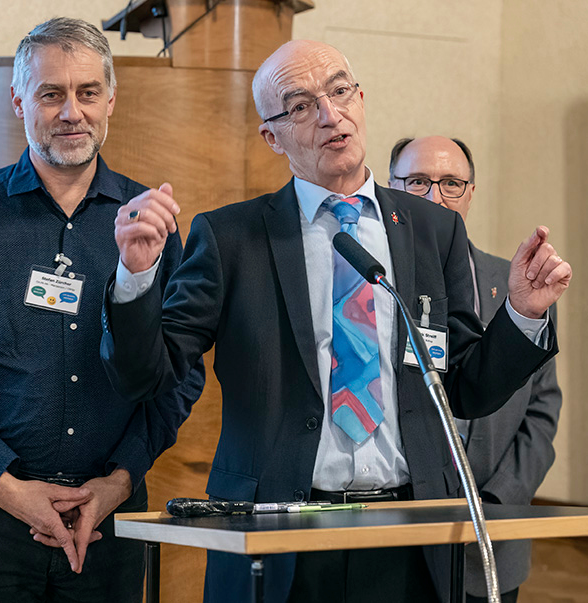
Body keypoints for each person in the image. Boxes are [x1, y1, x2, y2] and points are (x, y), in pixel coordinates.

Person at [101, 40, 571, 603]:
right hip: (277, 532)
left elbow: (465, 389)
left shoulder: (431, 231)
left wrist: (522, 312)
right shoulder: (231, 238)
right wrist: (134, 277)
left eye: (340, 90)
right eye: (300, 105)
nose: (330, 114)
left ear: (361, 98)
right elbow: (147, 376)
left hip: (411, 530)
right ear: (271, 137)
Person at [0, 17, 204, 603]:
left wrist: (118, 482)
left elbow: (178, 376)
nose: (72, 111)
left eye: (88, 93)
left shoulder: (149, 228)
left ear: (110, 99)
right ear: (19, 101)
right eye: (51, 94)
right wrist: (13, 489)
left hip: (110, 522)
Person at [388, 135, 562, 603]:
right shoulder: (375, 282)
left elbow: (542, 409)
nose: (434, 196)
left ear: (470, 193)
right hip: (398, 536)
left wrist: (500, 499)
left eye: (450, 183)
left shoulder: (515, 284)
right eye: (418, 181)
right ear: (390, 190)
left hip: (493, 541)